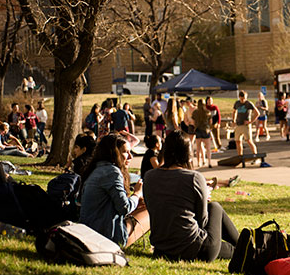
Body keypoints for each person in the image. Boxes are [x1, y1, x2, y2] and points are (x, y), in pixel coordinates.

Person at [144, 130, 239, 262]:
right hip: (195, 249)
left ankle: (244, 247)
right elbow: (203, 221)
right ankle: (245, 246)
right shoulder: (194, 177)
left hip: (162, 248)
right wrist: (203, 200)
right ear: (187, 153)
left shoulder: (149, 177)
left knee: (229, 248)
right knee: (215, 207)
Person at [80, 133, 148, 248]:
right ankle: (161, 246)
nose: (130, 157)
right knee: (148, 211)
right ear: (114, 152)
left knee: (140, 205)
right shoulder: (112, 172)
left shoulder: (97, 169)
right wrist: (137, 194)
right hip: (106, 237)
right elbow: (124, 207)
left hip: (90, 231)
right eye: (126, 152)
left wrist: (135, 201)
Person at [233, 90, 259, 157]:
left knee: (249, 141)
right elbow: (234, 111)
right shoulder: (237, 103)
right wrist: (234, 120)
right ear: (239, 97)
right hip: (238, 124)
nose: (243, 100)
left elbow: (257, 113)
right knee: (238, 141)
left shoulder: (248, 103)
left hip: (246, 125)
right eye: (242, 99)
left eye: (244, 98)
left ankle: (255, 156)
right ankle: (240, 156)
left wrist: (251, 121)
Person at [192, 99, 213, 168]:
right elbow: (210, 122)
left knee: (198, 148)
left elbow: (193, 122)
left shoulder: (195, 112)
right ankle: (209, 162)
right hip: (206, 130)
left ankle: (198, 162)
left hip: (198, 130)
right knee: (208, 148)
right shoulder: (208, 112)